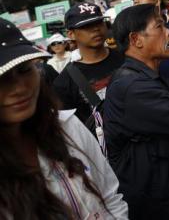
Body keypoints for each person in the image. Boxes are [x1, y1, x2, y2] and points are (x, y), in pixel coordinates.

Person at [0, 18, 128, 219]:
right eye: (2, 78)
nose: (19, 88)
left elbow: (110, 196)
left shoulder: (67, 126)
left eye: (24, 69)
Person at [104, 4, 169, 219]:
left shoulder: (144, 78)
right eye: (159, 26)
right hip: (158, 205)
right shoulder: (133, 88)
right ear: (136, 39)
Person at [53, 2, 124, 124]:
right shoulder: (64, 82)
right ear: (71, 34)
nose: (96, 29)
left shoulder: (127, 56)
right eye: (87, 26)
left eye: (99, 23)